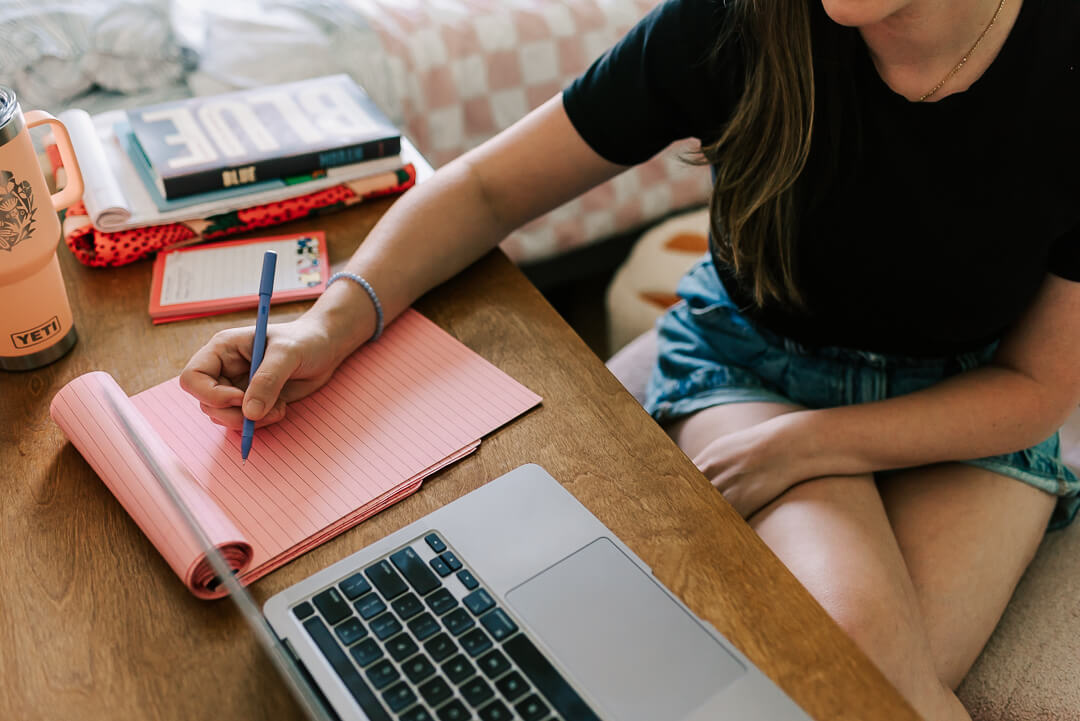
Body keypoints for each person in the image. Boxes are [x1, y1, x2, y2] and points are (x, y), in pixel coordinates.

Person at [180, 0, 1080, 718]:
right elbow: (490, 185)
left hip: (969, 395)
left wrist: (809, 446)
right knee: (851, 673)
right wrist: (326, 326)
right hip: (758, 362)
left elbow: (1039, 387)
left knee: (843, 688)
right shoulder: (737, 19)